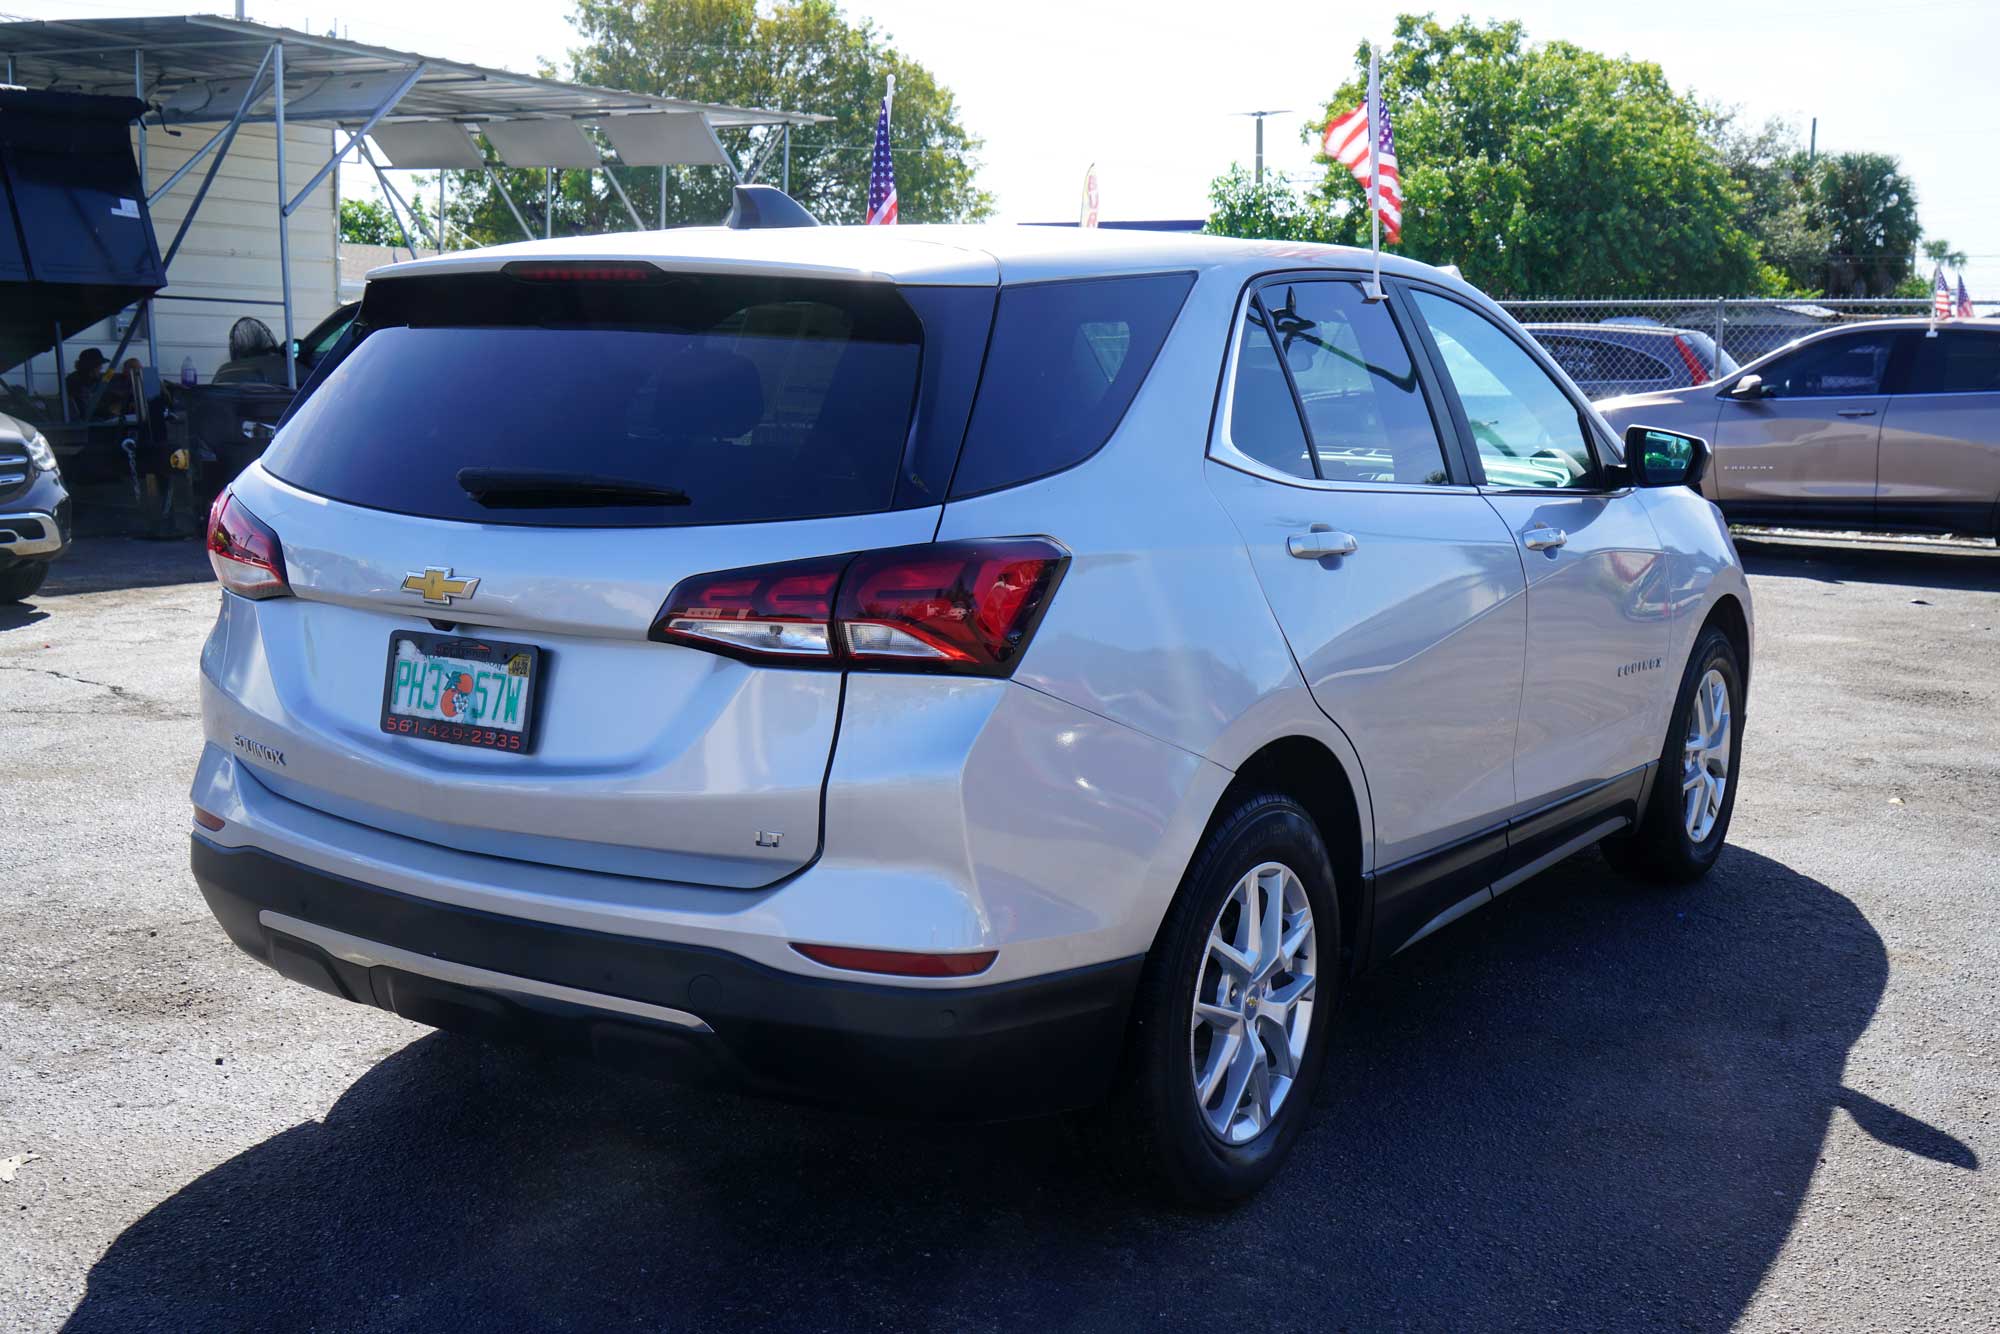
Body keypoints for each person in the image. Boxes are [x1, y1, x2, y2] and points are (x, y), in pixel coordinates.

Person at [65, 347, 109, 418]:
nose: (101, 368)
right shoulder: (76, 381)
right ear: (91, 366)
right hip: (83, 423)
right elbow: (85, 409)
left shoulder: (93, 379)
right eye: (99, 365)